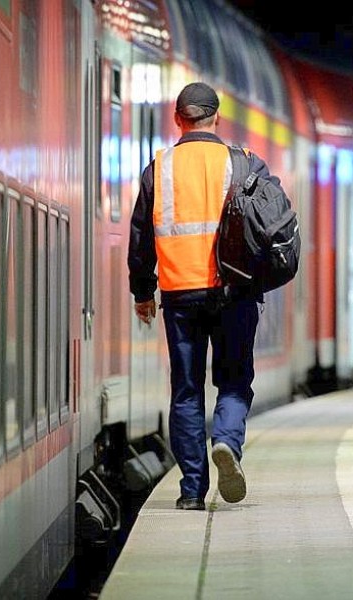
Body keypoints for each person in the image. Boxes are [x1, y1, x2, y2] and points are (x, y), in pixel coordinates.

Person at [127, 81, 287, 510]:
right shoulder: (245, 164)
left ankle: (190, 493)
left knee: (186, 391)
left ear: (178, 119)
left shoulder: (158, 169)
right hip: (234, 292)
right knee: (234, 382)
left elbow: (140, 239)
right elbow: (274, 225)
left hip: (180, 295)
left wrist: (143, 292)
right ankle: (228, 444)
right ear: (217, 119)